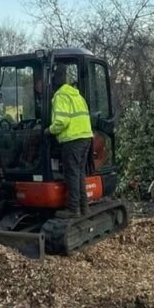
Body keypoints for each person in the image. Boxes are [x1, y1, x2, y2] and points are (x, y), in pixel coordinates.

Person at [47, 66, 93, 218]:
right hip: (86, 138)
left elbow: (62, 121)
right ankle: (84, 207)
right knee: (79, 173)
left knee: (71, 174)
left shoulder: (61, 96)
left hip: (72, 140)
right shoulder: (77, 96)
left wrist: (49, 130)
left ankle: (73, 209)